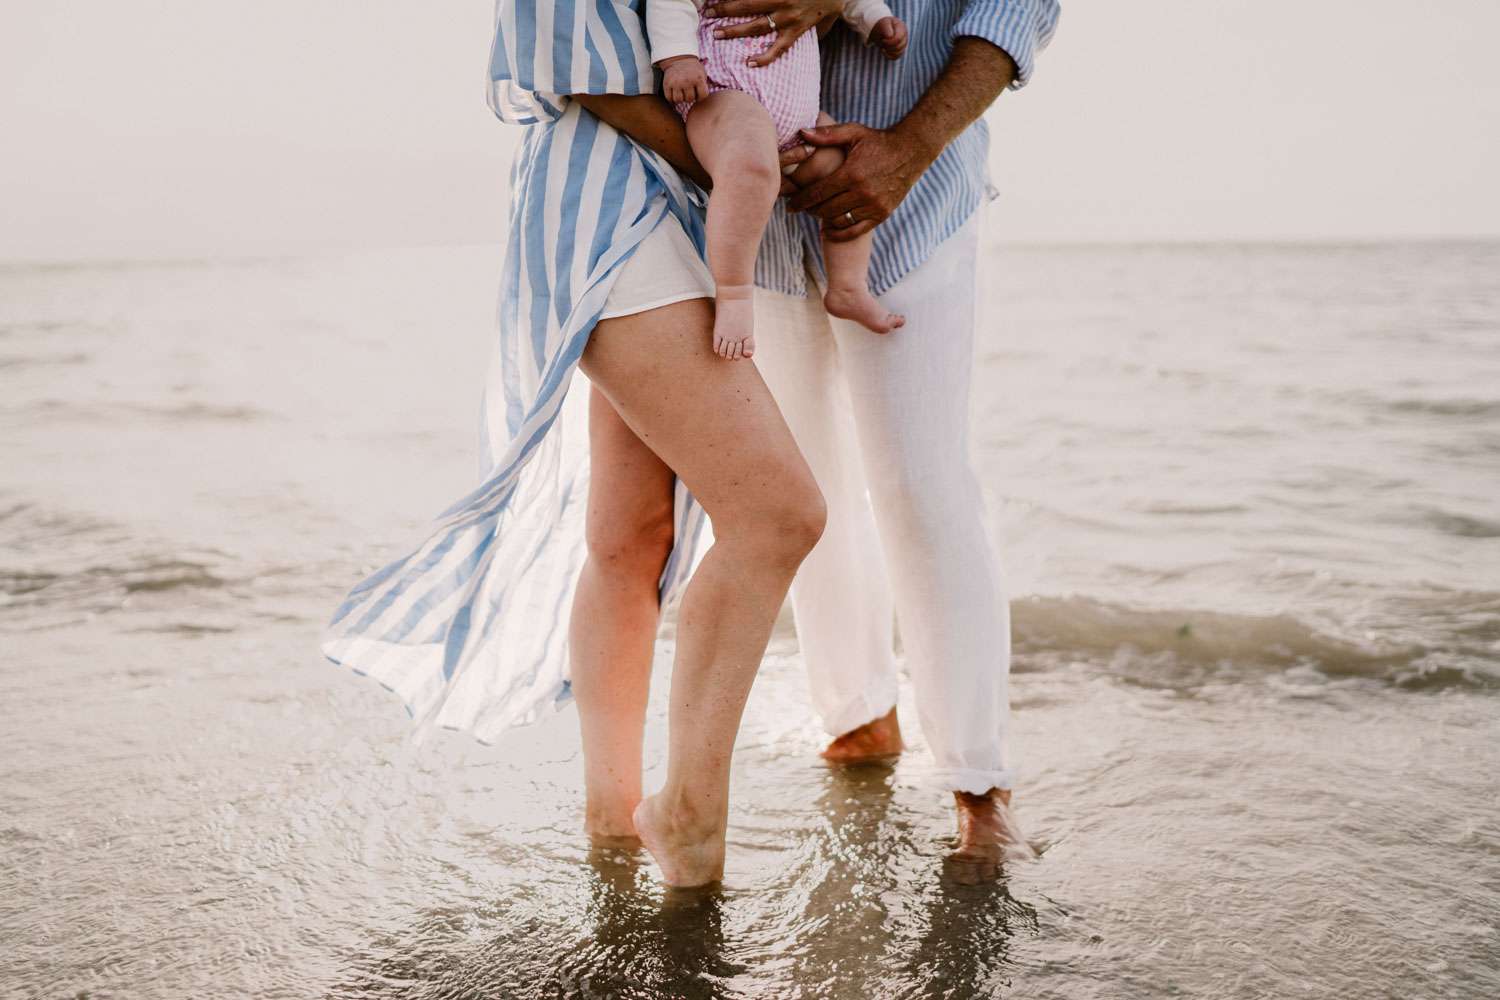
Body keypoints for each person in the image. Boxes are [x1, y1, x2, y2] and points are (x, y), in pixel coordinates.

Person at [323, 0, 827, 888]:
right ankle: (690, 814)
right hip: (612, 212)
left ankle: (612, 821)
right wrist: (751, 159)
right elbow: (575, 67)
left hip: (673, 211)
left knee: (631, 538)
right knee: (778, 513)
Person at [715, 0, 1063, 866]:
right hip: (753, 212)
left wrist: (908, 147)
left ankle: (979, 779)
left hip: (915, 192)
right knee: (803, 493)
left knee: (921, 487)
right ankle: (856, 718)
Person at [647, 0, 910, 359]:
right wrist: (678, 58)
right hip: (724, 94)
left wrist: (876, 18)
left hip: (799, 117)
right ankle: (735, 292)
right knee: (749, 167)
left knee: (844, 169)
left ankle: (848, 286)